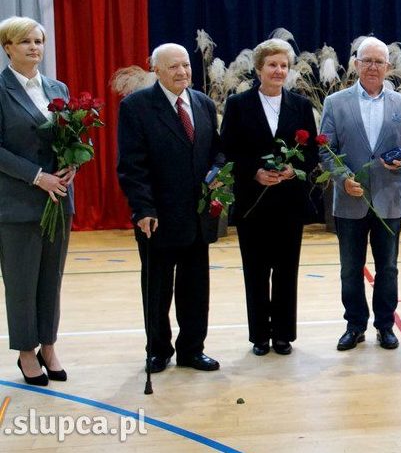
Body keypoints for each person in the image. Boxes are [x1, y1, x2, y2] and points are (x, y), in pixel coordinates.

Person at [117, 43, 224, 372]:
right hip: (158, 217)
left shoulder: (203, 104)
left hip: (197, 217)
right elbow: (131, 166)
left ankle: (193, 349)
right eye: (173, 67)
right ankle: (158, 350)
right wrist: (143, 209)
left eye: (186, 65)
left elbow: (217, 152)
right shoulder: (136, 107)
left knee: (195, 289)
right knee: (157, 289)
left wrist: (219, 172)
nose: (182, 72)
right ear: (156, 70)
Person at [319, 36, 401, 351]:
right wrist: (342, 178)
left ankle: (385, 326)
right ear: (355, 64)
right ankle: (354, 325)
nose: (373, 66)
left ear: (388, 67)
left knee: (388, 268)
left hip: (389, 202)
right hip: (349, 200)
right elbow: (326, 150)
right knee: (350, 269)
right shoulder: (335, 103)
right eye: (367, 60)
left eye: (379, 61)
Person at [221, 38, 318, 356]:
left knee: (287, 269)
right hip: (253, 201)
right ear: (259, 68)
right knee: (256, 270)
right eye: (272, 65)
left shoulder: (301, 106)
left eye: (283, 66)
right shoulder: (238, 105)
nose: (278, 70)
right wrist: (254, 172)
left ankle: (283, 335)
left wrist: (293, 169)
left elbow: (311, 153)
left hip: (288, 202)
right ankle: (260, 335)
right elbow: (229, 150)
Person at [0, 16, 74, 385]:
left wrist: (74, 162)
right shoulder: (0, 90)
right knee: (21, 281)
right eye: (24, 41)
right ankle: (26, 352)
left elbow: (73, 135)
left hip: (58, 198)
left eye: (39, 41)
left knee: (51, 279)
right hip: (18, 201)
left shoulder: (56, 86)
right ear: (7, 47)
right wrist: (36, 176)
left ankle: (48, 344)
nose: (34, 47)